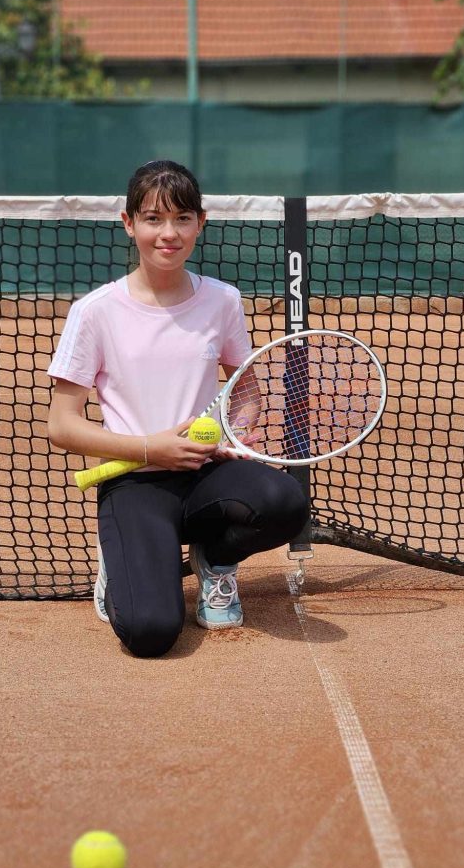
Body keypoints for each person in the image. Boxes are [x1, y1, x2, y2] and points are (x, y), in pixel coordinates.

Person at [47, 160, 309, 657]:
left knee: (285, 502)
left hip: (206, 473)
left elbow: (245, 388)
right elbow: (61, 425)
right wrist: (152, 448)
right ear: (129, 223)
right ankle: (123, 562)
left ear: (200, 223)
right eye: (153, 219)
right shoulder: (94, 312)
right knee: (150, 633)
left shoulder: (223, 301)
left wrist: (235, 433)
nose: (169, 233)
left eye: (182, 218)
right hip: (134, 479)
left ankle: (217, 560)